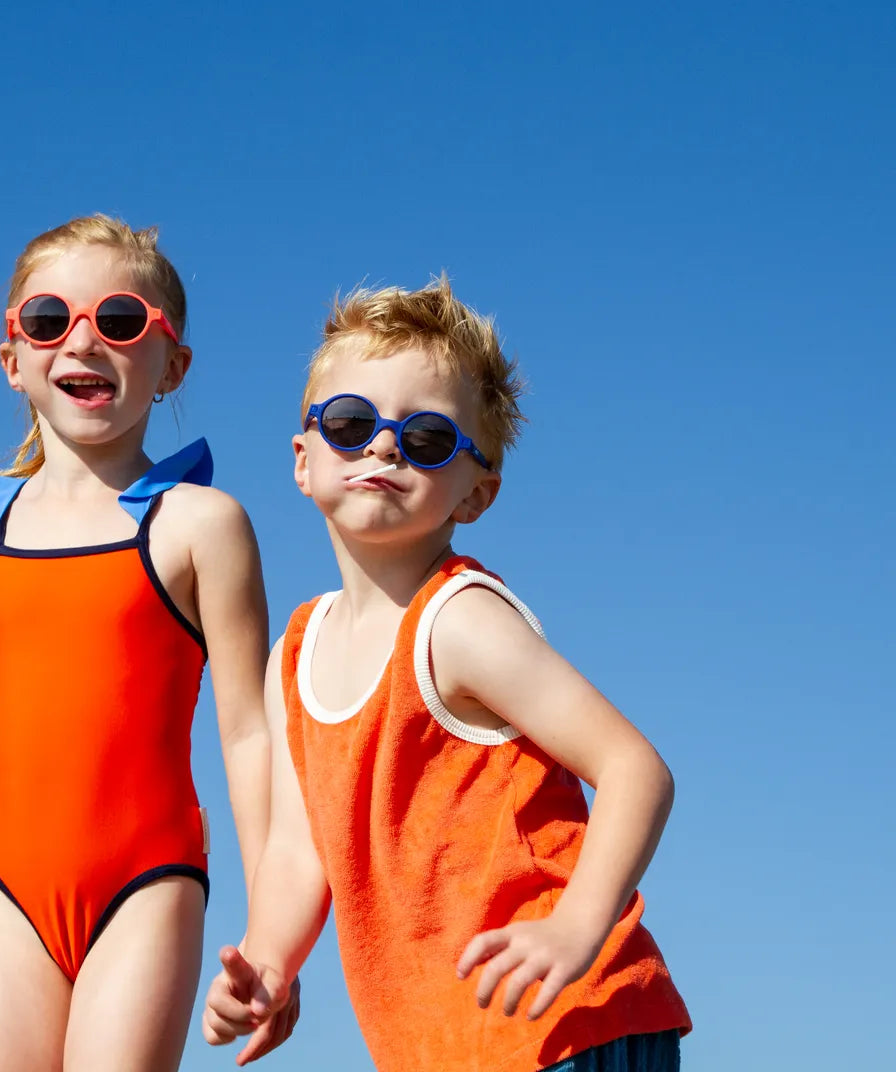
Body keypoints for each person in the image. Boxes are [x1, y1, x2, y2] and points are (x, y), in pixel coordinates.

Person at [203, 276, 691, 1071]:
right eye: (351, 423)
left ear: (478, 492)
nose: (384, 446)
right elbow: (297, 854)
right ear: (303, 459)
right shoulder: (294, 655)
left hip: (565, 1020)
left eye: (427, 438)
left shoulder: (458, 622)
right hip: (443, 1044)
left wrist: (577, 924)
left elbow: (636, 768)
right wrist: (266, 965)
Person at [0, 214, 290, 1070]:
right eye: (50, 321)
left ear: (172, 366)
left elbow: (251, 733)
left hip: (147, 884)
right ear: (13, 359)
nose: (83, 343)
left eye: (121, 321)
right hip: (6, 897)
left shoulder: (201, 526)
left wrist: (274, 935)